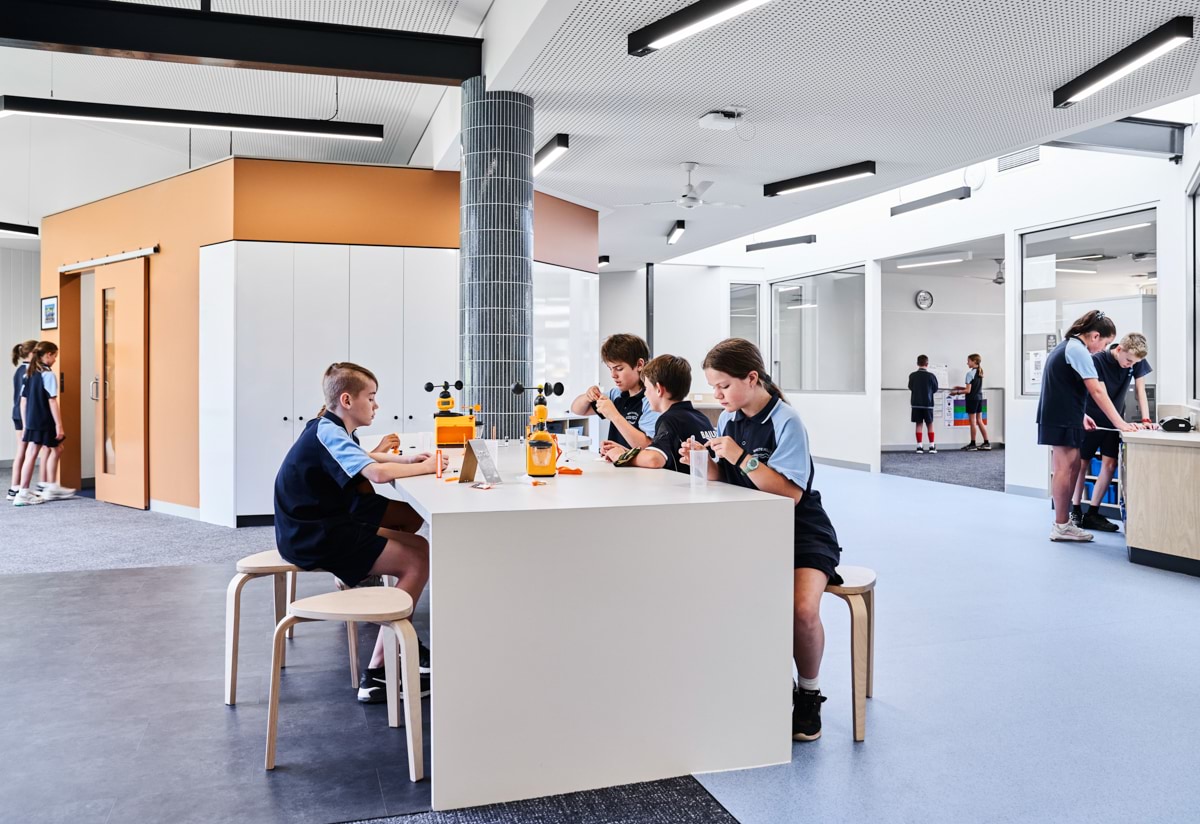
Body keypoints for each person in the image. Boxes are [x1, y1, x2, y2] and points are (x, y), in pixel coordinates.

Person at [680, 338, 843, 742]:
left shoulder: (786, 420)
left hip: (802, 532)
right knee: (732, 601)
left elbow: (788, 493)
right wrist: (700, 462)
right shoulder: (729, 420)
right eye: (713, 387)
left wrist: (738, 456)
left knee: (801, 610)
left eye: (722, 386)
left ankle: (808, 694)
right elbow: (729, 477)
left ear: (752, 378)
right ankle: (773, 684)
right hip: (754, 534)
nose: (716, 396)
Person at [273, 362, 449, 702]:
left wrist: (409, 461)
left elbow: (360, 457)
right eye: (371, 397)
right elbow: (377, 475)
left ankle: (401, 640)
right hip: (314, 536)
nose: (376, 405)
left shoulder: (328, 427)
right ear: (347, 400)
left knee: (418, 545)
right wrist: (428, 466)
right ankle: (379, 675)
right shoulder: (328, 432)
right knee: (415, 561)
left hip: (317, 526)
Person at [1037, 311, 1136, 542]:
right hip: (1060, 416)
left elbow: (1065, 384)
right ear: (1094, 336)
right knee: (1064, 468)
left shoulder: (1070, 347)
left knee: (1072, 467)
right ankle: (1061, 526)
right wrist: (1120, 423)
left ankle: (1064, 523)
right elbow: (1097, 391)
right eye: (1105, 342)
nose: (1103, 348)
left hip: (1066, 414)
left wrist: (1080, 414)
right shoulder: (1078, 350)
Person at [1070, 332, 1154, 532]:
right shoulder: (1097, 360)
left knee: (1109, 465)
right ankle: (1075, 511)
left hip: (1116, 422)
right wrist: (1120, 422)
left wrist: (1146, 419)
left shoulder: (1136, 360)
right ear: (1118, 350)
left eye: (1135, 363)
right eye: (1128, 361)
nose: (1130, 365)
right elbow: (1101, 394)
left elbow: (1140, 390)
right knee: (1081, 465)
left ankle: (1092, 513)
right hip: (1092, 420)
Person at [600, 354, 716, 472]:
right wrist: (627, 452)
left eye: (646, 388)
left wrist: (620, 457)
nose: (645, 394)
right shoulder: (700, 417)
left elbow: (655, 459)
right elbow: (659, 452)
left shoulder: (669, 419)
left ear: (659, 390)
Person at [570, 333, 659, 452]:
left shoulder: (651, 400)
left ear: (639, 365)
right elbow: (578, 409)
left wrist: (614, 415)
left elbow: (650, 447)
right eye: (610, 369)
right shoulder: (615, 394)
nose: (613, 375)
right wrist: (587, 397)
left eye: (619, 369)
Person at [14, 341, 75, 505]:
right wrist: (59, 425)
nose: (55, 359)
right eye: (55, 355)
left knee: (39, 451)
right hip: (45, 420)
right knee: (53, 449)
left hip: (33, 420)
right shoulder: (48, 375)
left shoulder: (29, 373)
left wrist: (26, 424)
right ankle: (47, 488)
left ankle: (27, 490)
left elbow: (23, 401)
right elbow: (52, 401)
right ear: (48, 355)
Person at [8, 339, 38, 501]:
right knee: (25, 451)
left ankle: (15, 487)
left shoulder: (19, 370)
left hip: (16, 413)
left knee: (21, 450)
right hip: (25, 414)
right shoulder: (30, 371)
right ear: (32, 353)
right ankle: (17, 488)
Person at [950, 354, 990, 450]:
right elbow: (972, 388)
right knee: (980, 421)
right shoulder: (979, 372)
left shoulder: (969, 374)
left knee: (973, 422)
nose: (967, 363)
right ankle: (987, 443)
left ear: (974, 361)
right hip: (979, 399)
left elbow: (968, 391)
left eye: (968, 361)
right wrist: (960, 388)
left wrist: (956, 392)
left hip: (972, 400)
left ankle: (972, 444)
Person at [907, 355, 939, 454]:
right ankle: (931, 446)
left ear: (917, 363)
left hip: (916, 404)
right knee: (930, 424)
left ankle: (919, 446)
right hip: (928, 404)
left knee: (919, 424)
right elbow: (935, 389)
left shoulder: (912, 375)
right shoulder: (931, 376)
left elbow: (910, 387)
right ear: (927, 364)